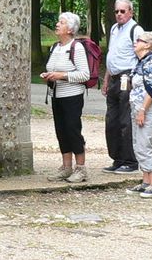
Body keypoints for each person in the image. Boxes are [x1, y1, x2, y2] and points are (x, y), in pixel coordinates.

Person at [40, 12, 91, 183]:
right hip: (56, 94)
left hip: (72, 96)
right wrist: (48, 75)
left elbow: (85, 74)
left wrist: (61, 76)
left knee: (72, 130)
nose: (57, 25)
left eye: (61, 23)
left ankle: (81, 169)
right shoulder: (56, 47)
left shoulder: (77, 47)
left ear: (70, 29)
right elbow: (53, 67)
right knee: (61, 131)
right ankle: (66, 167)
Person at [101, 0, 142, 173]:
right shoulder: (113, 29)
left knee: (126, 120)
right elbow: (113, 55)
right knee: (112, 120)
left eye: (122, 11)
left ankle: (130, 160)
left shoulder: (136, 29)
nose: (119, 14)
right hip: (114, 78)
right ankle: (117, 158)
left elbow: (142, 55)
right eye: (116, 11)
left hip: (128, 78)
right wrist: (106, 79)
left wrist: (137, 80)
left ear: (130, 12)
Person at [126, 30, 152, 197]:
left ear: (148, 45)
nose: (135, 42)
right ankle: (146, 181)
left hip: (147, 109)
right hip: (138, 108)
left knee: (144, 145)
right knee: (137, 144)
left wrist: (142, 110)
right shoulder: (141, 62)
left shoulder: (151, 64)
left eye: (139, 40)